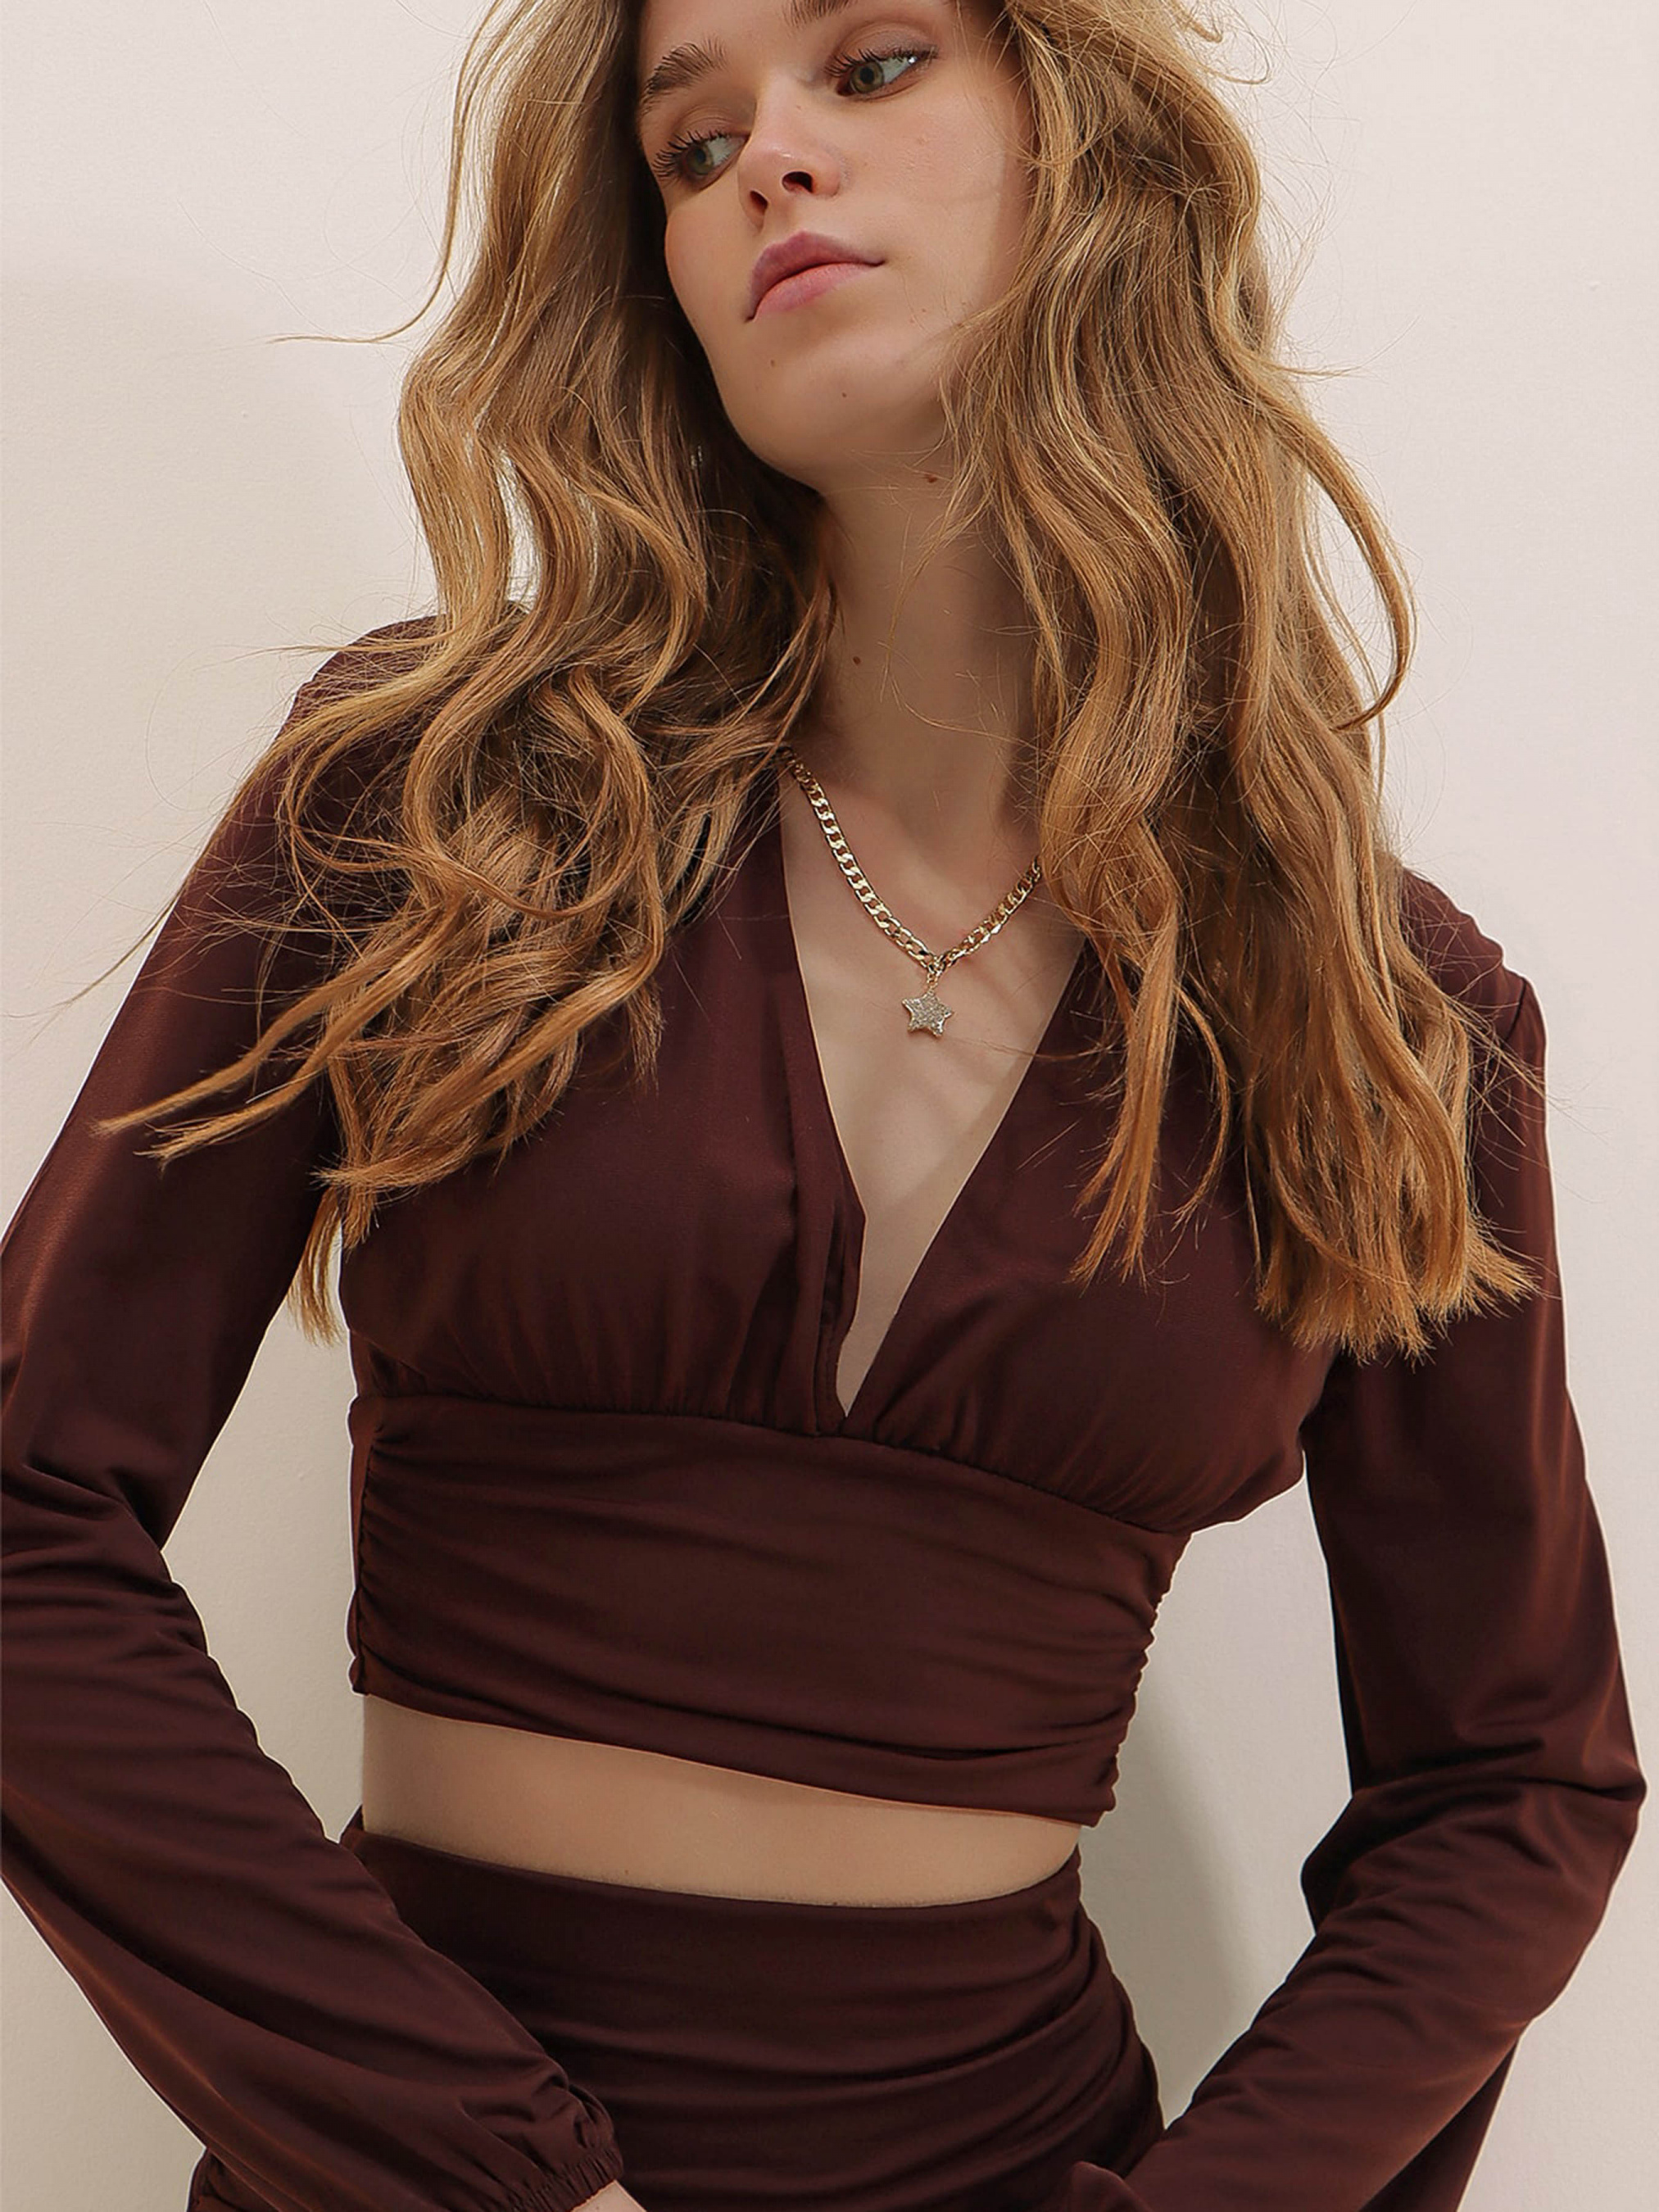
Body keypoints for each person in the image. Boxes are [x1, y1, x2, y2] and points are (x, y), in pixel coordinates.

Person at [2, 1, 1644, 2208]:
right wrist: (483, 2174)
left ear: (1087, 143)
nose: (769, 155)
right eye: (690, 146)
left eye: (867, 67)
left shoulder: (1377, 1004)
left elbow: (1512, 1782)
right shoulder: (440, 804)